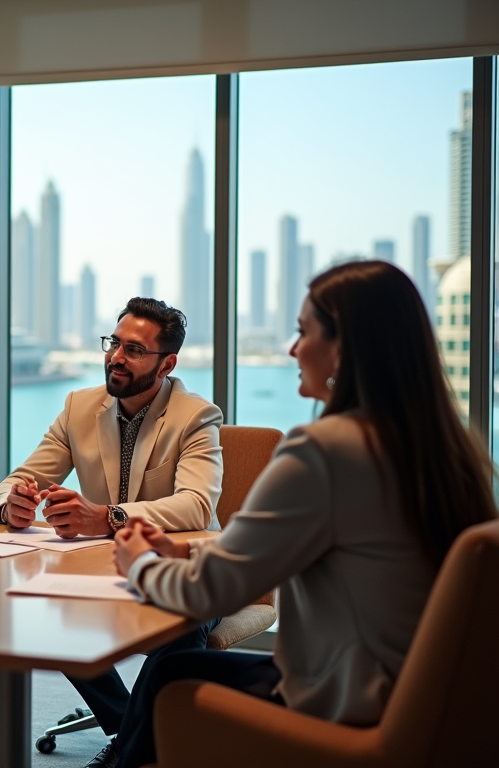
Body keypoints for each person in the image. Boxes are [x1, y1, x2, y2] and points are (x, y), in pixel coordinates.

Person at [112, 260, 499, 768]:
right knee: (181, 666)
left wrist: (139, 560)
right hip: (432, 708)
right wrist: (180, 550)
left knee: (171, 676)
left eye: (303, 332)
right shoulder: (451, 452)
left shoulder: (324, 450)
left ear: (345, 347)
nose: (293, 349)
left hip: (351, 708)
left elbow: (214, 591)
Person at [0, 297, 224, 768]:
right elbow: (20, 477)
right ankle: (131, 735)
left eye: (134, 350)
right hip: (102, 571)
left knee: (181, 626)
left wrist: (108, 517)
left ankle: (127, 749)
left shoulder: (196, 416)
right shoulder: (80, 407)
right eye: (113, 343)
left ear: (167, 364)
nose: (116, 356)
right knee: (46, 614)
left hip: (186, 570)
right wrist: (10, 504)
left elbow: (197, 505)